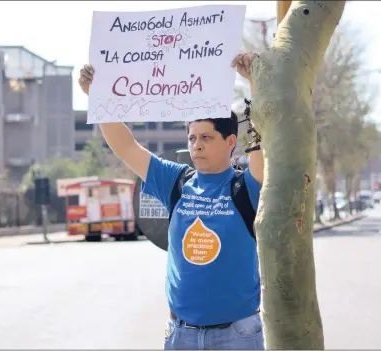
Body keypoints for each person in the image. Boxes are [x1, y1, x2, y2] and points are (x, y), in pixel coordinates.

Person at [79, 52, 264, 350]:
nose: (197, 146)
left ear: (230, 142)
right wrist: (98, 97)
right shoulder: (176, 181)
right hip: (181, 335)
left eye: (206, 137)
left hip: (237, 336)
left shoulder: (247, 187)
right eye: (192, 138)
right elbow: (126, 146)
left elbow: (261, 141)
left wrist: (255, 83)